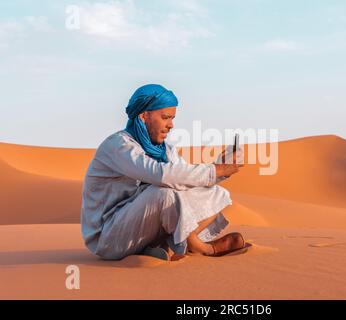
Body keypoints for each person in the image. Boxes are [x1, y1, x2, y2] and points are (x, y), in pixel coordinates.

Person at [80, 84, 245, 261]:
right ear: (144, 116)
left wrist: (220, 167)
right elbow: (161, 174)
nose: (171, 125)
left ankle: (161, 246)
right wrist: (213, 171)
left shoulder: (163, 150)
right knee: (162, 193)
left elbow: (183, 178)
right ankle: (196, 246)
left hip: (140, 227)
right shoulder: (119, 146)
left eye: (172, 118)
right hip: (109, 238)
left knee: (216, 194)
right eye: (166, 117)